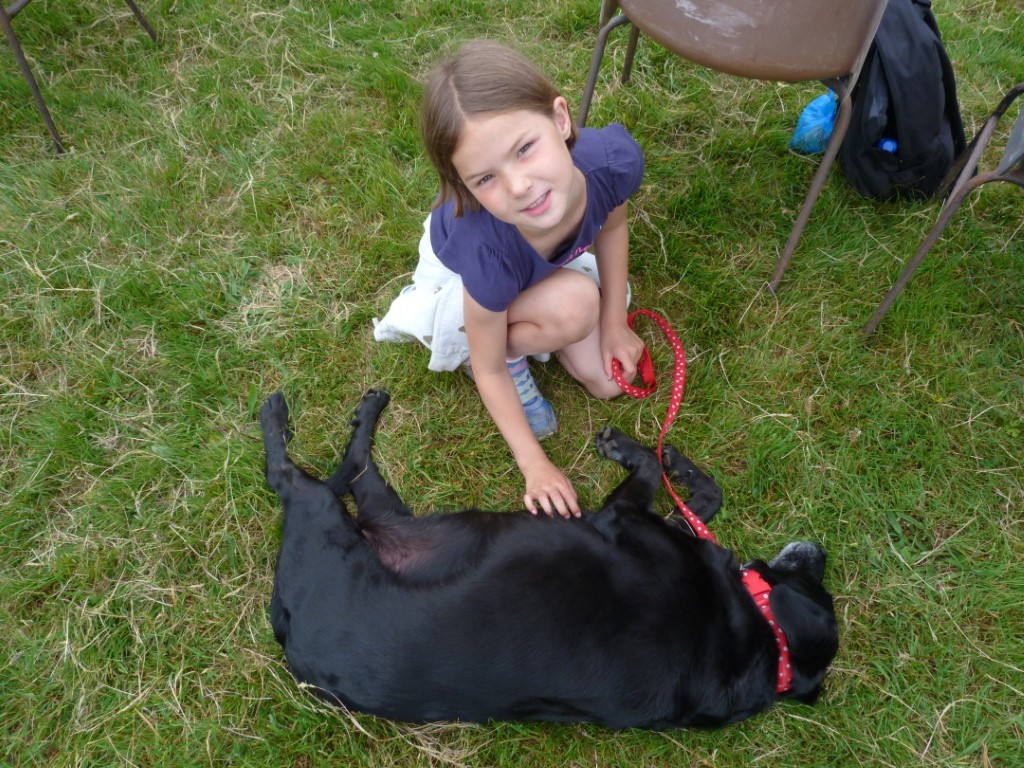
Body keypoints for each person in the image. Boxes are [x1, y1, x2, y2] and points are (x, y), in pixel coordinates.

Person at [373, 39, 646, 519]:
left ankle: (546, 320)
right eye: (485, 179)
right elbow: (489, 368)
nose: (519, 186)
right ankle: (517, 347)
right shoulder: (487, 250)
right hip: (469, 276)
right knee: (575, 305)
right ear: (465, 188)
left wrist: (614, 324)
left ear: (560, 120)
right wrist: (534, 464)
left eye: (524, 149)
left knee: (609, 382)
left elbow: (612, 225)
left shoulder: (610, 163)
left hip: (535, 267)